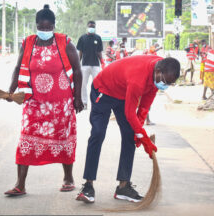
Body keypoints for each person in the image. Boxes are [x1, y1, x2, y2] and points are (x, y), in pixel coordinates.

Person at [76, 55, 181, 203]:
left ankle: (123, 187)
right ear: (158, 71)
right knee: (98, 134)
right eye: (165, 81)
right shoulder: (138, 78)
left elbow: (144, 107)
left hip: (123, 93)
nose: (165, 85)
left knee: (130, 135)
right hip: (104, 90)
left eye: (169, 83)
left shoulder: (159, 72)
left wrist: (138, 134)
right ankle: (88, 186)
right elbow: (130, 113)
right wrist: (144, 138)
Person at [4, 4, 83, 196]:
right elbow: (17, 67)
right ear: (36, 25)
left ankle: (68, 178)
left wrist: (77, 97)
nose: (45, 31)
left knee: (63, 139)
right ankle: (20, 185)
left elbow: (78, 70)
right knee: (26, 139)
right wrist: (10, 90)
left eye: (49, 28)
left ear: (54, 26)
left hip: (61, 104)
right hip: (34, 102)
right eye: (42, 27)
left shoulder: (65, 42)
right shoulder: (28, 43)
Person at [76, 20, 104, 109]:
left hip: (96, 65)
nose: (91, 28)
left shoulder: (98, 38)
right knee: (83, 84)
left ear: (95, 28)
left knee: (97, 84)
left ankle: (96, 103)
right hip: (85, 65)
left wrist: (102, 62)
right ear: (87, 27)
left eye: (93, 27)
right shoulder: (82, 38)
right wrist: (77, 63)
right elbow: (80, 52)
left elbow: (99, 52)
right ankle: (84, 103)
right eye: (90, 26)